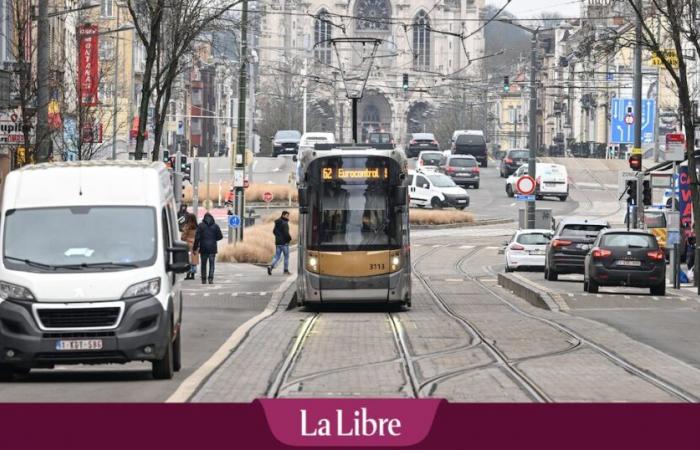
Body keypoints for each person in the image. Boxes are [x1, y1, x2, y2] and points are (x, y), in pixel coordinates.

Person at [194, 212, 223, 284]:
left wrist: (195, 248)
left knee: (203, 264)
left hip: (203, 248)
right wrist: (214, 239)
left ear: (204, 218)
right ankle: (210, 279)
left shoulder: (200, 226)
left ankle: (203, 279)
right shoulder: (215, 226)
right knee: (212, 264)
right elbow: (220, 236)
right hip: (212, 248)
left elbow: (197, 238)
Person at [268, 211, 292, 275]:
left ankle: (271, 266)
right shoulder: (285, 223)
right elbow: (286, 234)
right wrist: (289, 239)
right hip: (284, 243)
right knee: (286, 257)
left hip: (278, 243)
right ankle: (285, 270)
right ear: (283, 215)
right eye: (287, 215)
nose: (288, 217)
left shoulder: (277, 222)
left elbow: (274, 231)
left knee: (277, 256)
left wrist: (278, 237)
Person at [180, 213, 199, 280]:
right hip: (195, 245)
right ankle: (193, 275)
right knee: (194, 260)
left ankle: (188, 274)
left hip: (188, 245)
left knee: (188, 260)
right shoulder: (197, 227)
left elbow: (183, 237)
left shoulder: (187, 226)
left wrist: (183, 237)